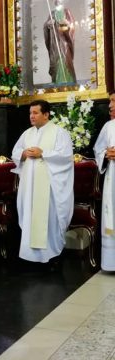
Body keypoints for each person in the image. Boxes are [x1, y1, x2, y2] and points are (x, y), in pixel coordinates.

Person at [11, 100, 74, 263]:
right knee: (30, 216)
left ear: (46, 114)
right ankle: (29, 256)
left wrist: (43, 153)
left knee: (48, 218)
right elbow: (15, 152)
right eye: (30, 113)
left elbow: (66, 157)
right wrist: (23, 154)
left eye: (35, 113)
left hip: (50, 187)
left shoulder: (59, 133)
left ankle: (51, 256)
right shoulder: (27, 133)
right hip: (30, 186)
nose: (31, 116)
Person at [93, 90, 115, 271]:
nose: (110, 105)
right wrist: (106, 154)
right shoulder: (108, 127)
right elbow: (98, 150)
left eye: (114, 101)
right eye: (110, 101)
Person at [44, 0, 76, 85]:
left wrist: (65, 24)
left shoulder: (66, 11)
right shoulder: (52, 13)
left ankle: (68, 81)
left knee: (65, 59)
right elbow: (46, 26)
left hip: (64, 42)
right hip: (54, 43)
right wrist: (49, 24)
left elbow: (71, 26)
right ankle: (57, 81)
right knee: (56, 61)